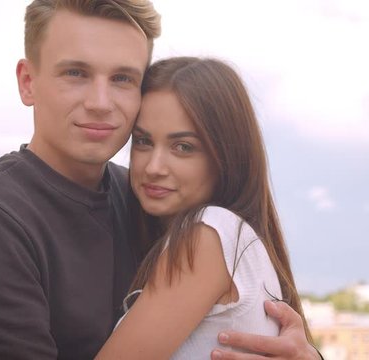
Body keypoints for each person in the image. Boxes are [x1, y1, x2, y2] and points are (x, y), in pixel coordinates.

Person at [0, 1, 320, 359]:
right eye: (76, 73)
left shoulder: (151, 199)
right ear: (28, 81)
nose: (100, 102)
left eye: (123, 79)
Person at [94, 57, 322, 359]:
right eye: (143, 141)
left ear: (224, 155)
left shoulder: (207, 235)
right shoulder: (237, 238)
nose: (153, 166)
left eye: (183, 147)